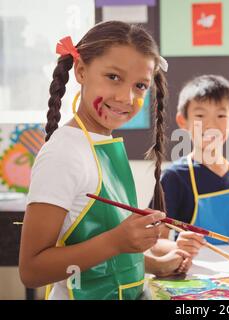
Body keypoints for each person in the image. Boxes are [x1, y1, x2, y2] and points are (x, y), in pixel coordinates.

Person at [19, 21, 192, 300]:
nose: (126, 97)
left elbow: (96, 248)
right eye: (113, 77)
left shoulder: (103, 144)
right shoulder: (63, 154)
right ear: (81, 71)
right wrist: (117, 241)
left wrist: (154, 264)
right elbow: (32, 270)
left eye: (140, 85)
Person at [152, 75, 229, 251]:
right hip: (194, 271)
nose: (211, 124)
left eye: (220, 115)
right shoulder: (174, 177)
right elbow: (156, 242)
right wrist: (175, 247)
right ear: (183, 121)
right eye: (200, 115)